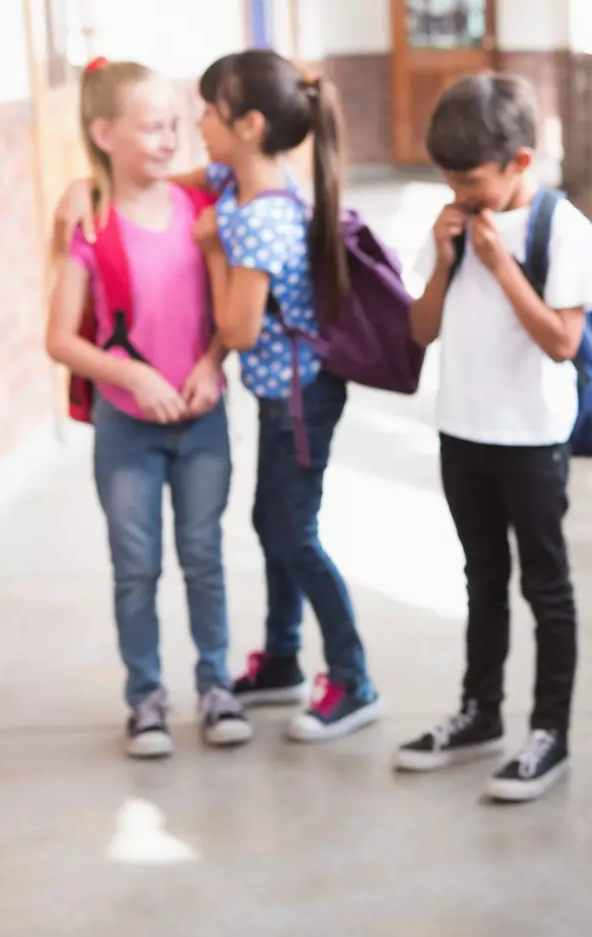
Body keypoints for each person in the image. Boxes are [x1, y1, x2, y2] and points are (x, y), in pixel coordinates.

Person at [394, 74, 592, 802]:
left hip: (532, 439)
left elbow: (562, 342)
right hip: (462, 429)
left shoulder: (560, 227)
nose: (459, 190)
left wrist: (499, 266)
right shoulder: (448, 222)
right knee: (481, 580)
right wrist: (448, 260)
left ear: (519, 162)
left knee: (545, 586)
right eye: (447, 177)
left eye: (473, 178)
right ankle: (480, 712)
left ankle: (550, 732)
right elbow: (420, 331)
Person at [45, 59, 250, 758]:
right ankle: (147, 698)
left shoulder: (200, 212)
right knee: (136, 566)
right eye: (152, 127)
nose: (169, 140)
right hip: (125, 430)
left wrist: (209, 364)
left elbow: (225, 316)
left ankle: (217, 685)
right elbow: (61, 338)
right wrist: (131, 375)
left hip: (202, 421)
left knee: (203, 554)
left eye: (175, 126)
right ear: (103, 132)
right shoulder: (90, 224)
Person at [192, 50, 382, 743]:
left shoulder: (261, 217)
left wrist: (212, 248)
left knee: (291, 534)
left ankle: (354, 678)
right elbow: (193, 175)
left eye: (208, 112)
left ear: (247, 124)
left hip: (300, 401)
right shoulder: (244, 179)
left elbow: (239, 330)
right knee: (272, 524)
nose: (197, 124)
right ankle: (280, 660)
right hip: (285, 398)